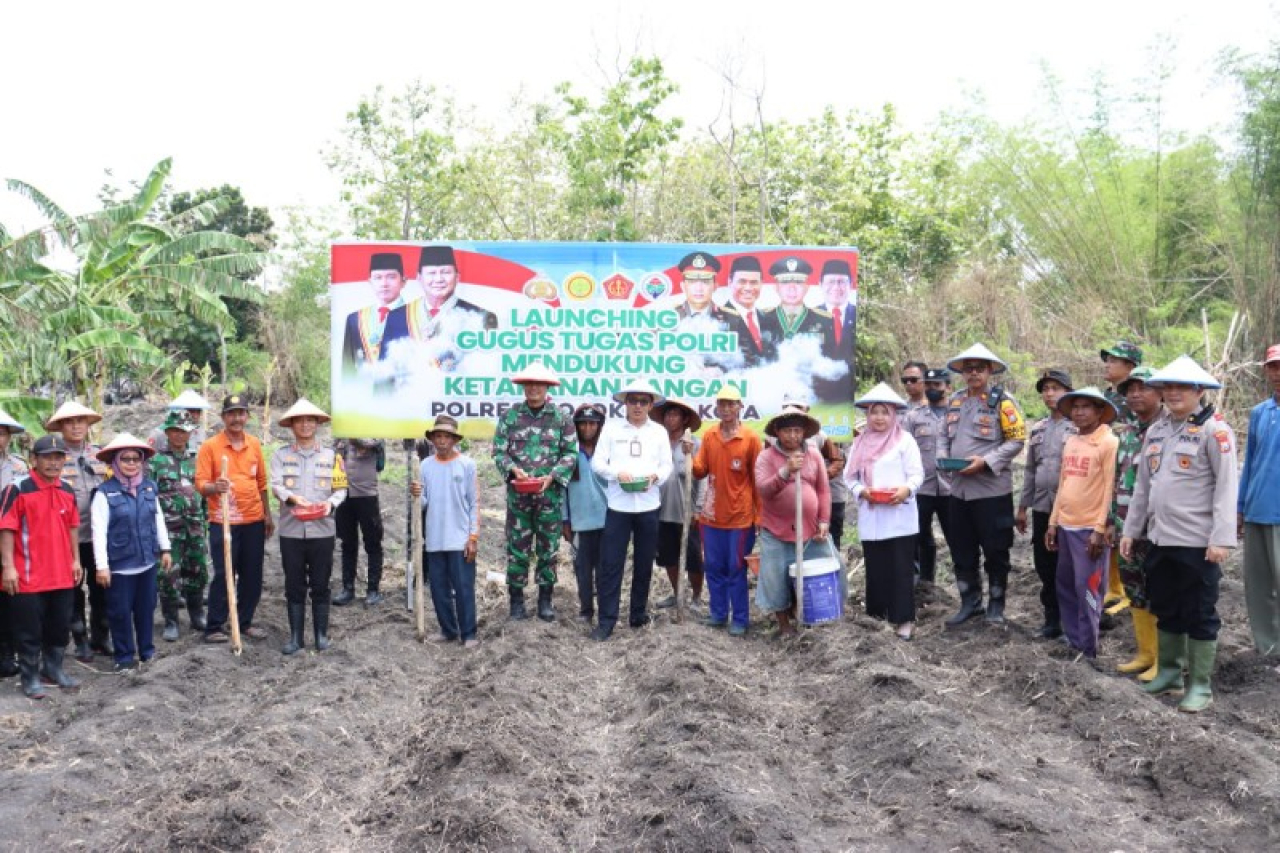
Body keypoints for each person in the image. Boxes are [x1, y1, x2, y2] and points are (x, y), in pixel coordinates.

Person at [1121, 356, 1238, 713]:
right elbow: (1143, 487)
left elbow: (1226, 488)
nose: (1172, 393)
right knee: (1166, 607)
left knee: (1199, 612)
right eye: (1167, 387)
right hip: (1159, 539)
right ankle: (1169, 674)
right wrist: (1132, 530)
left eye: (1181, 387)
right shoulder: (1157, 430)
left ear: (1198, 391)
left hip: (1197, 542)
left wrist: (1221, 539)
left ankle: (1199, 684)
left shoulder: (1214, 430)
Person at [938, 343, 1027, 627]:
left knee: (996, 550)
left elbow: (1016, 440)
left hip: (991, 491)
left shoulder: (1003, 401)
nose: (973, 373)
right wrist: (942, 457)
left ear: (990, 371)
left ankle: (996, 606)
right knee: (961, 550)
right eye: (968, 369)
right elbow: (943, 436)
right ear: (962, 373)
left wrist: (986, 461)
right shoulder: (955, 400)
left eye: (979, 368)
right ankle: (970, 602)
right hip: (958, 491)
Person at [492, 361, 578, 622]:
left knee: (548, 548)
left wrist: (552, 476)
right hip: (519, 497)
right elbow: (498, 451)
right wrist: (512, 470)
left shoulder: (561, 418)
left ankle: (545, 600)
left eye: (538, 384)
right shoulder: (510, 416)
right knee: (517, 548)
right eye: (529, 384)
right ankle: (516, 601)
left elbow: (570, 453)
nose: (533, 388)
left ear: (547, 387)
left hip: (548, 497)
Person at [590, 380, 673, 641]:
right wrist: (618, 473)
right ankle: (606, 621)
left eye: (643, 401)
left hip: (649, 505)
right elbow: (597, 463)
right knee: (611, 564)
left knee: (644, 562)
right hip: (619, 506)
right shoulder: (612, 429)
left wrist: (654, 477)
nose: (637, 406)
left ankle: (638, 614)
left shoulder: (658, 432)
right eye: (633, 400)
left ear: (650, 404)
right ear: (625, 403)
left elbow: (666, 465)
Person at [0, 434, 82, 698]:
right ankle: (30, 676)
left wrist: (76, 560)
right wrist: (8, 567)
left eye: (59, 457)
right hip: (27, 575)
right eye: (47, 457)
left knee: (59, 626)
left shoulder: (67, 490)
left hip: (61, 573)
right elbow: (6, 528)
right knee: (28, 630)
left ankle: (53, 668)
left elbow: (72, 528)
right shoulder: (18, 488)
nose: (53, 463)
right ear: (34, 459)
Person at [1045, 388, 1120, 659]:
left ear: (1100, 412)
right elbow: (1064, 483)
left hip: (1089, 530)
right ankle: (1074, 640)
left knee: (1088, 588)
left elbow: (1110, 488)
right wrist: (1053, 523)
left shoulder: (1109, 443)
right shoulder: (1073, 441)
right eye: (1075, 407)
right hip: (1066, 525)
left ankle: (1088, 648)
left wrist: (1100, 529)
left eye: (1086, 407)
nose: (1079, 412)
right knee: (1065, 586)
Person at [845, 384, 923, 639]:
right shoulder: (859, 442)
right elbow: (850, 477)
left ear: (893, 415)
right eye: (874, 412)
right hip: (872, 514)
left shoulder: (905, 441)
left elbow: (917, 475)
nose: (879, 418)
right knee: (876, 569)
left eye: (884, 412)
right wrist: (862, 491)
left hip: (899, 516)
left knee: (900, 569)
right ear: (868, 415)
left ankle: (904, 620)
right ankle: (877, 618)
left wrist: (905, 490)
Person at [195, 394, 275, 643]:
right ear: (223, 417)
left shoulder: (254, 444)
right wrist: (214, 487)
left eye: (241, 413)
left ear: (247, 417)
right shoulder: (211, 446)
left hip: (253, 519)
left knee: (252, 574)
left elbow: (261, 482)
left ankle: (244, 621)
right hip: (223, 520)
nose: (236, 418)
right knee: (223, 572)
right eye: (231, 413)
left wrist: (267, 514)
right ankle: (215, 626)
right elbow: (200, 484)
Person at [271, 400, 347, 655]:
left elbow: (341, 489)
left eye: (310, 420)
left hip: (323, 530)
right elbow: (276, 485)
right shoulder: (281, 455)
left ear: (317, 425)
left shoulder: (332, 456)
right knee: (294, 584)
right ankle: (295, 638)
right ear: (292, 425)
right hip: (291, 531)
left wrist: (330, 504)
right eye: (300, 420)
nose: (305, 424)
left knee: (321, 583)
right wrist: (292, 499)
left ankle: (321, 635)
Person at [91, 434, 172, 672]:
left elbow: (158, 521)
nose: (131, 463)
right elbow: (99, 532)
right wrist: (102, 566)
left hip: (147, 562)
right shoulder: (105, 493)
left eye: (136, 458)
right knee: (120, 613)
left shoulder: (148, 487)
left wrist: (165, 548)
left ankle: (147, 652)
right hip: (119, 566)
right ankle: (124, 656)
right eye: (125, 459)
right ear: (115, 462)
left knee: (146, 610)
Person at [756, 406, 832, 637]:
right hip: (776, 531)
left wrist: (824, 520)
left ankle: (809, 617)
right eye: (787, 431)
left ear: (804, 433)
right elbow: (763, 490)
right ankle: (784, 626)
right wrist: (785, 472)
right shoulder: (766, 457)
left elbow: (824, 490)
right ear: (777, 432)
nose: (792, 436)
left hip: (810, 531)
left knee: (819, 573)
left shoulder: (814, 454)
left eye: (797, 431)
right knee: (775, 578)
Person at [692, 385, 762, 636]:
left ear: (740, 407)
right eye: (722, 404)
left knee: (735, 568)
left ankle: (740, 618)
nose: (726, 408)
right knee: (713, 566)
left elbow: (758, 480)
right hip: (710, 516)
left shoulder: (751, 439)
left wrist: (758, 516)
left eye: (731, 404)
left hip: (740, 518)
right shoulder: (710, 436)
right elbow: (700, 470)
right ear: (716, 407)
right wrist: (690, 455)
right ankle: (718, 613)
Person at [45, 400, 110, 661]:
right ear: (61, 426)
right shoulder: (53, 457)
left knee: (101, 588)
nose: (75, 426)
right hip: (66, 537)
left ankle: (100, 637)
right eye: (69, 422)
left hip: (98, 537)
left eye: (80, 421)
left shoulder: (101, 454)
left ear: (87, 425)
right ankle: (79, 638)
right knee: (72, 590)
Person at [1111, 366, 1163, 680]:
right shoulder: (1127, 434)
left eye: (1142, 388)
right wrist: (1108, 522)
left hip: (1156, 527)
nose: (1135, 394)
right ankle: (1145, 652)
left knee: (1159, 590)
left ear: (1159, 392)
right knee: (1135, 588)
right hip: (1125, 525)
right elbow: (1117, 480)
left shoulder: (1168, 430)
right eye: (1130, 389)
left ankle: (1165, 658)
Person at [1017, 369, 1075, 638]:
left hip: (1071, 510)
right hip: (1042, 506)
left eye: (1056, 388)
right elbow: (1030, 470)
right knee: (1045, 565)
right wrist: (1022, 507)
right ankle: (1051, 620)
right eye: (1045, 389)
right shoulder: (1039, 429)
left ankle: (1071, 621)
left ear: (1068, 391)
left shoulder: (1080, 428)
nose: (1050, 394)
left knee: (1069, 567)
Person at [415, 416, 480, 647]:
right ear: (432, 440)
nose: (442, 441)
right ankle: (448, 629)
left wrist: (472, 537)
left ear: (454, 440)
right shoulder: (424, 466)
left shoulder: (467, 465)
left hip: (460, 537)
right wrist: (416, 494)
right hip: (435, 537)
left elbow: (474, 503)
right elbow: (422, 503)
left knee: (463, 589)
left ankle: (469, 633)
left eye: (446, 437)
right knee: (439, 589)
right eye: (438, 436)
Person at [151, 411, 210, 641]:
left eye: (183, 431)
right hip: (169, 530)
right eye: (174, 430)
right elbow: (151, 495)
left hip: (194, 526)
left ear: (190, 433)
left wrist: (203, 521)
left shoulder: (198, 460)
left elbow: (204, 493)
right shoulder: (156, 461)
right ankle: (171, 620)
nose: (179, 435)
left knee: (197, 569)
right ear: (167, 432)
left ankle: (197, 615)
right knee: (168, 574)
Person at [1238, 343, 1280, 657]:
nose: (1278, 373)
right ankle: (1268, 647)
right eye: (1273, 367)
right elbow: (1249, 463)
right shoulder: (1259, 413)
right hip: (1257, 511)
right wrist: (1240, 507)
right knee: (1259, 586)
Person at [1100, 339, 1144, 615]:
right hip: (1106, 466)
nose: (1108, 364)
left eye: (1114, 360)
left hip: (1132, 469)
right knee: (1109, 527)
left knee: (1129, 530)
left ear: (1130, 366)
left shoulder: (1140, 397)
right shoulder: (1106, 396)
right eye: (1108, 360)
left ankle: (1129, 591)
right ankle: (1113, 587)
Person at [651, 398, 705, 613]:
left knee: (693, 557)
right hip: (660, 508)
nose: (670, 418)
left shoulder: (694, 444)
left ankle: (697, 597)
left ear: (684, 419)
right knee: (668, 556)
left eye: (675, 414)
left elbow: (703, 478)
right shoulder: (658, 442)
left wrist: (698, 509)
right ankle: (677, 593)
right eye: (667, 415)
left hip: (685, 509)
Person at [902, 367, 952, 590]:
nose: (933, 389)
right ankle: (925, 582)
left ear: (947, 387)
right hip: (922, 487)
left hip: (952, 487)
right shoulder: (913, 417)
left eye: (938, 385)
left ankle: (966, 586)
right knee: (920, 536)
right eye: (929, 385)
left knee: (958, 538)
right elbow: (903, 450)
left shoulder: (958, 414)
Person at [563, 404, 609, 624]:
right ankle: (585, 611)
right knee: (582, 569)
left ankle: (605, 610)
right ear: (576, 426)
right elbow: (561, 489)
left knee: (605, 569)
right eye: (583, 424)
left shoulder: (607, 452)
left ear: (599, 426)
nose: (588, 428)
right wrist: (565, 519)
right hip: (580, 522)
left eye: (592, 423)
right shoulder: (569, 454)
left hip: (607, 520)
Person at [404, 245, 499, 341]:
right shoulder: (397, 317)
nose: (438, 279)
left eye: (445, 272)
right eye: (431, 273)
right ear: (419, 278)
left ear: (457, 277)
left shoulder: (482, 316)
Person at [333, 438, 386, 607]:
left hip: (367, 495)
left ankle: (373, 590)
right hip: (343, 495)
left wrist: (354, 437)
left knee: (373, 543)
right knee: (347, 543)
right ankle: (348, 589)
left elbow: (371, 447)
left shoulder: (373, 434)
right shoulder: (341, 438)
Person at [340, 252, 412, 372]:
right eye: (378, 277)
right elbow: (348, 367)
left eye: (391, 277)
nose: (384, 284)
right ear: (370, 282)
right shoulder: (355, 319)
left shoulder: (417, 317)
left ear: (403, 281)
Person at [0, 409, 29, 677]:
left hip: (10, 540)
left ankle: (7, 655)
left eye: (2, 432)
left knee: (9, 599)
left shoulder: (19, 467)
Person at [760, 256, 832, 350]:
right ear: (776, 288)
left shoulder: (826, 321)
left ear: (807, 287)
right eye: (785, 282)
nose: (792, 288)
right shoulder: (761, 319)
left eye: (798, 282)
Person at [815, 259, 857, 402]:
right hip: (817, 394)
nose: (836, 287)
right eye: (831, 282)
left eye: (841, 282)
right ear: (820, 284)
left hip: (850, 394)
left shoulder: (858, 315)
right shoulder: (810, 317)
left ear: (850, 285)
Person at [723, 256, 777, 365]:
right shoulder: (717, 319)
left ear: (761, 283)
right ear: (729, 282)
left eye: (753, 282)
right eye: (742, 282)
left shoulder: (770, 320)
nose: (748, 288)